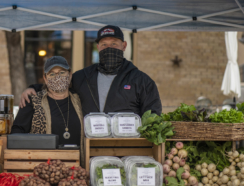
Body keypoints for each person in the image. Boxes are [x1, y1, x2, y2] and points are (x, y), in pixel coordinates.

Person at [20, 25, 162, 117]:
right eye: (104, 44)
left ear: (124, 46)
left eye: (114, 44)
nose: (109, 48)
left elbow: (153, 115)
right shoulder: (83, 76)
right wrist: (33, 88)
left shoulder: (141, 80)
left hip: (128, 149)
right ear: (98, 47)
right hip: (90, 147)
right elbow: (59, 85)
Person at [11, 56, 84, 166]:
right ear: (45, 78)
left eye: (62, 72)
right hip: (44, 170)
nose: (57, 77)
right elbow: (17, 133)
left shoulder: (80, 99)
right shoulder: (33, 100)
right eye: (52, 74)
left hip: (77, 169)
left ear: (70, 74)